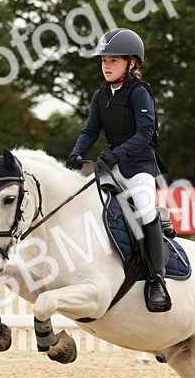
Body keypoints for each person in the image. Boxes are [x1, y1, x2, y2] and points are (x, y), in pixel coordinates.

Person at [66, 28, 171, 313]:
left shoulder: (140, 92)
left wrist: (117, 153)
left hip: (138, 165)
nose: (107, 66)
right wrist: (76, 153)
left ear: (131, 64)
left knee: (145, 209)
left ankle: (156, 280)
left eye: (113, 60)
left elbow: (145, 132)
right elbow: (90, 130)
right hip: (111, 163)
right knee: (87, 204)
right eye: (104, 61)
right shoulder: (100, 95)